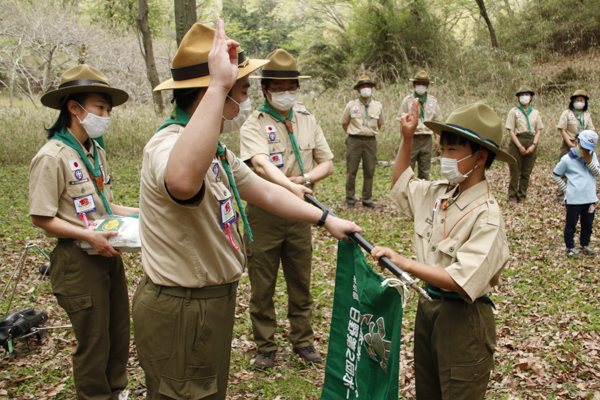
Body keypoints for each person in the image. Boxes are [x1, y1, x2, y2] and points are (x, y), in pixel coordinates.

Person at [132, 21, 361, 400]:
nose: (245, 99)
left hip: (209, 304)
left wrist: (326, 219)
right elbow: (183, 182)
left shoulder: (218, 151)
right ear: (212, 92)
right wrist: (220, 84)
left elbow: (265, 192)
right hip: (181, 307)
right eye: (240, 90)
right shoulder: (167, 144)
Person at [370, 101, 515, 399]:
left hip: (462, 319)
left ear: (480, 157)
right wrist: (407, 138)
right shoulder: (441, 193)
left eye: (452, 151)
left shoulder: (486, 215)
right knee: (429, 388)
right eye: (443, 149)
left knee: (458, 391)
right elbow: (402, 183)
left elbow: (461, 279)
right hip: (429, 308)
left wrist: (406, 264)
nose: (443, 157)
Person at [29, 64, 138, 400]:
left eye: (108, 109)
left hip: (107, 252)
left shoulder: (94, 150)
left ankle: (116, 391)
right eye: (99, 108)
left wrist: (143, 211)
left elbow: (104, 205)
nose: (105, 115)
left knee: (118, 331)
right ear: (74, 108)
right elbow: (41, 217)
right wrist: (87, 236)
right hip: (78, 260)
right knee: (94, 341)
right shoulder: (52, 157)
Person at [240, 48, 334, 369]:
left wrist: (304, 178)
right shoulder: (254, 124)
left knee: (300, 281)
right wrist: (289, 185)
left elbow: (328, 163)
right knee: (262, 286)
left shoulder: (307, 119)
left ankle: (303, 341)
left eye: (290, 87)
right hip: (264, 214)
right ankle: (265, 346)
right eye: (277, 88)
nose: (284, 93)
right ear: (264, 89)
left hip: (299, 215)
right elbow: (261, 165)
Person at [551, 130, 599, 258]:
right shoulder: (567, 159)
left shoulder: (592, 156)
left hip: (589, 198)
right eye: (582, 148)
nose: (584, 151)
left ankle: (585, 245)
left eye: (587, 149)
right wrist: (566, 188)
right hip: (574, 199)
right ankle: (570, 247)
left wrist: (589, 161)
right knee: (571, 224)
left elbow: (597, 173)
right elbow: (555, 175)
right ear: (576, 143)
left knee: (588, 224)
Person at [340, 75, 385, 208]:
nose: (366, 89)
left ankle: (367, 198)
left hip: (370, 141)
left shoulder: (377, 106)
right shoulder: (351, 105)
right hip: (354, 140)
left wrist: (369, 132)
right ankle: (350, 199)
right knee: (351, 170)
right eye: (363, 86)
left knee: (369, 170)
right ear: (358, 90)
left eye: (368, 86)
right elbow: (344, 123)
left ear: (372, 89)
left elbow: (380, 124)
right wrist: (355, 133)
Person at [397, 70, 443, 180]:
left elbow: (437, 121)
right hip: (412, 138)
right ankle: (407, 194)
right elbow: (402, 123)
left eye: (423, 84)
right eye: (418, 84)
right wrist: (404, 141)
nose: (421, 86)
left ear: (427, 86)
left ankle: (422, 194)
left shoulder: (433, 101)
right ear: (413, 85)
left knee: (425, 170)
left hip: (427, 139)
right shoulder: (407, 101)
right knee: (408, 169)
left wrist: (437, 139)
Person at [505, 85, 544, 203]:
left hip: (531, 141)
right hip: (517, 142)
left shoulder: (535, 113)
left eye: (527, 95)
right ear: (518, 97)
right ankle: (512, 196)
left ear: (531, 97)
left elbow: (538, 130)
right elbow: (510, 130)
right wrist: (520, 146)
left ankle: (522, 196)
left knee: (526, 172)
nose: (525, 97)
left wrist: (534, 145)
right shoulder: (514, 112)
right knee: (515, 171)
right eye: (522, 95)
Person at [556, 90, 595, 201]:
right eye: (577, 100)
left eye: (581, 100)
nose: (579, 102)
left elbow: (591, 130)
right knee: (563, 168)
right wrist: (570, 143)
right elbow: (562, 129)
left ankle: (580, 195)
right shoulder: (567, 113)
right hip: (569, 142)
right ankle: (561, 195)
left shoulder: (587, 115)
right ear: (573, 101)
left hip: (583, 145)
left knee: (582, 169)